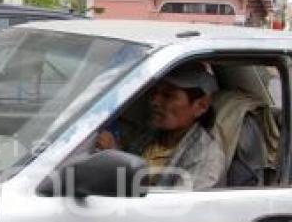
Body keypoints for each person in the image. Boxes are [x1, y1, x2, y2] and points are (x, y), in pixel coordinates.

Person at [97, 61, 226, 190]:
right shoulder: (151, 133)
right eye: (155, 93)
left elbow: (175, 206)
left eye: (168, 96)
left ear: (201, 106)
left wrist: (116, 161)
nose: (154, 101)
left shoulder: (206, 157)